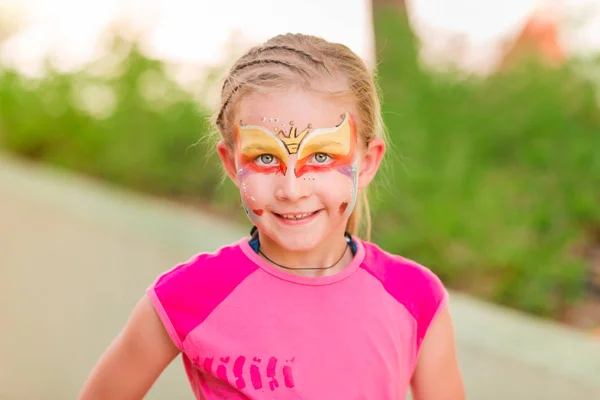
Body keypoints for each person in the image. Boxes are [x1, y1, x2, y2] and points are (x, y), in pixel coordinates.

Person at [79, 33, 465, 400]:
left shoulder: (415, 296)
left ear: (366, 163)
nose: (293, 190)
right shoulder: (191, 294)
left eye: (322, 157)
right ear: (232, 163)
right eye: (265, 158)